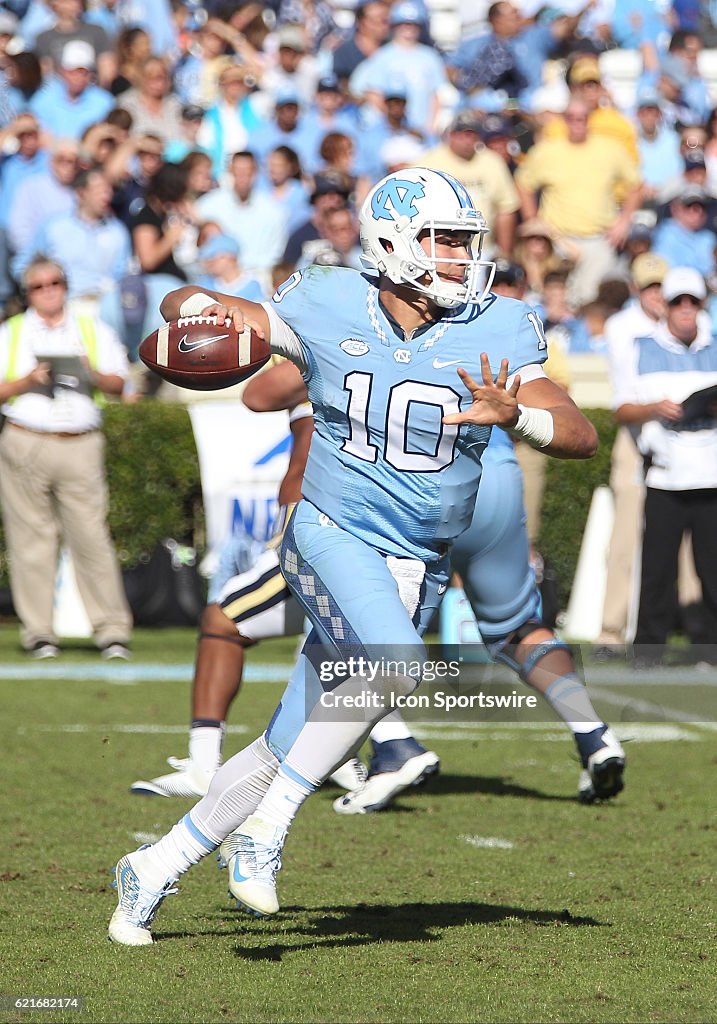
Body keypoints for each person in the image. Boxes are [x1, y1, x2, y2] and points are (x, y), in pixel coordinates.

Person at [108, 166, 599, 944]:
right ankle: (267, 831)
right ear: (394, 242)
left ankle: (153, 866)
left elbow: (578, 432)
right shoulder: (326, 296)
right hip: (330, 529)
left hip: (418, 561)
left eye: (463, 240)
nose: (461, 256)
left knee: (286, 742)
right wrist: (192, 307)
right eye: (443, 240)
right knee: (396, 661)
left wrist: (518, 417)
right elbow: (196, 311)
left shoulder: (499, 327)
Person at [0, 256, 132, 660]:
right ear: (28, 294)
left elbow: (118, 383)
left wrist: (89, 371)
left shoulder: (92, 328)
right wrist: (27, 381)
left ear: (66, 285)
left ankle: (111, 631)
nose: (48, 291)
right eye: (38, 286)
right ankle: (39, 633)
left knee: (91, 537)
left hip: (80, 441)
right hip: (26, 437)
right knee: (30, 542)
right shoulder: (12, 332)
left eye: (54, 282)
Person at [613, 266, 717, 668]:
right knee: (656, 570)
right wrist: (656, 408)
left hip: (711, 475)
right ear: (667, 307)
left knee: (712, 569)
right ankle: (648, 651)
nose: (687, 310)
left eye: (694, 302)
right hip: (664, 475)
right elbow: (622, 409)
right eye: (679, 302)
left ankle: (709, 647)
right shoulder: (641, 347)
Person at [515, 98, 644, 307]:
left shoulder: (610, 149)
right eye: (571, 118)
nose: (577, 123)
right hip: (556, 239)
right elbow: (523, 183)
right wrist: (533, 220)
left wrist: (625, 220)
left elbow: (635, 185)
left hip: (598, 238)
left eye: (582, 119)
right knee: (549, 298)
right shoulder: (547, 151)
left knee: (589, 300)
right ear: (564, 121)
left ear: (589, 120)